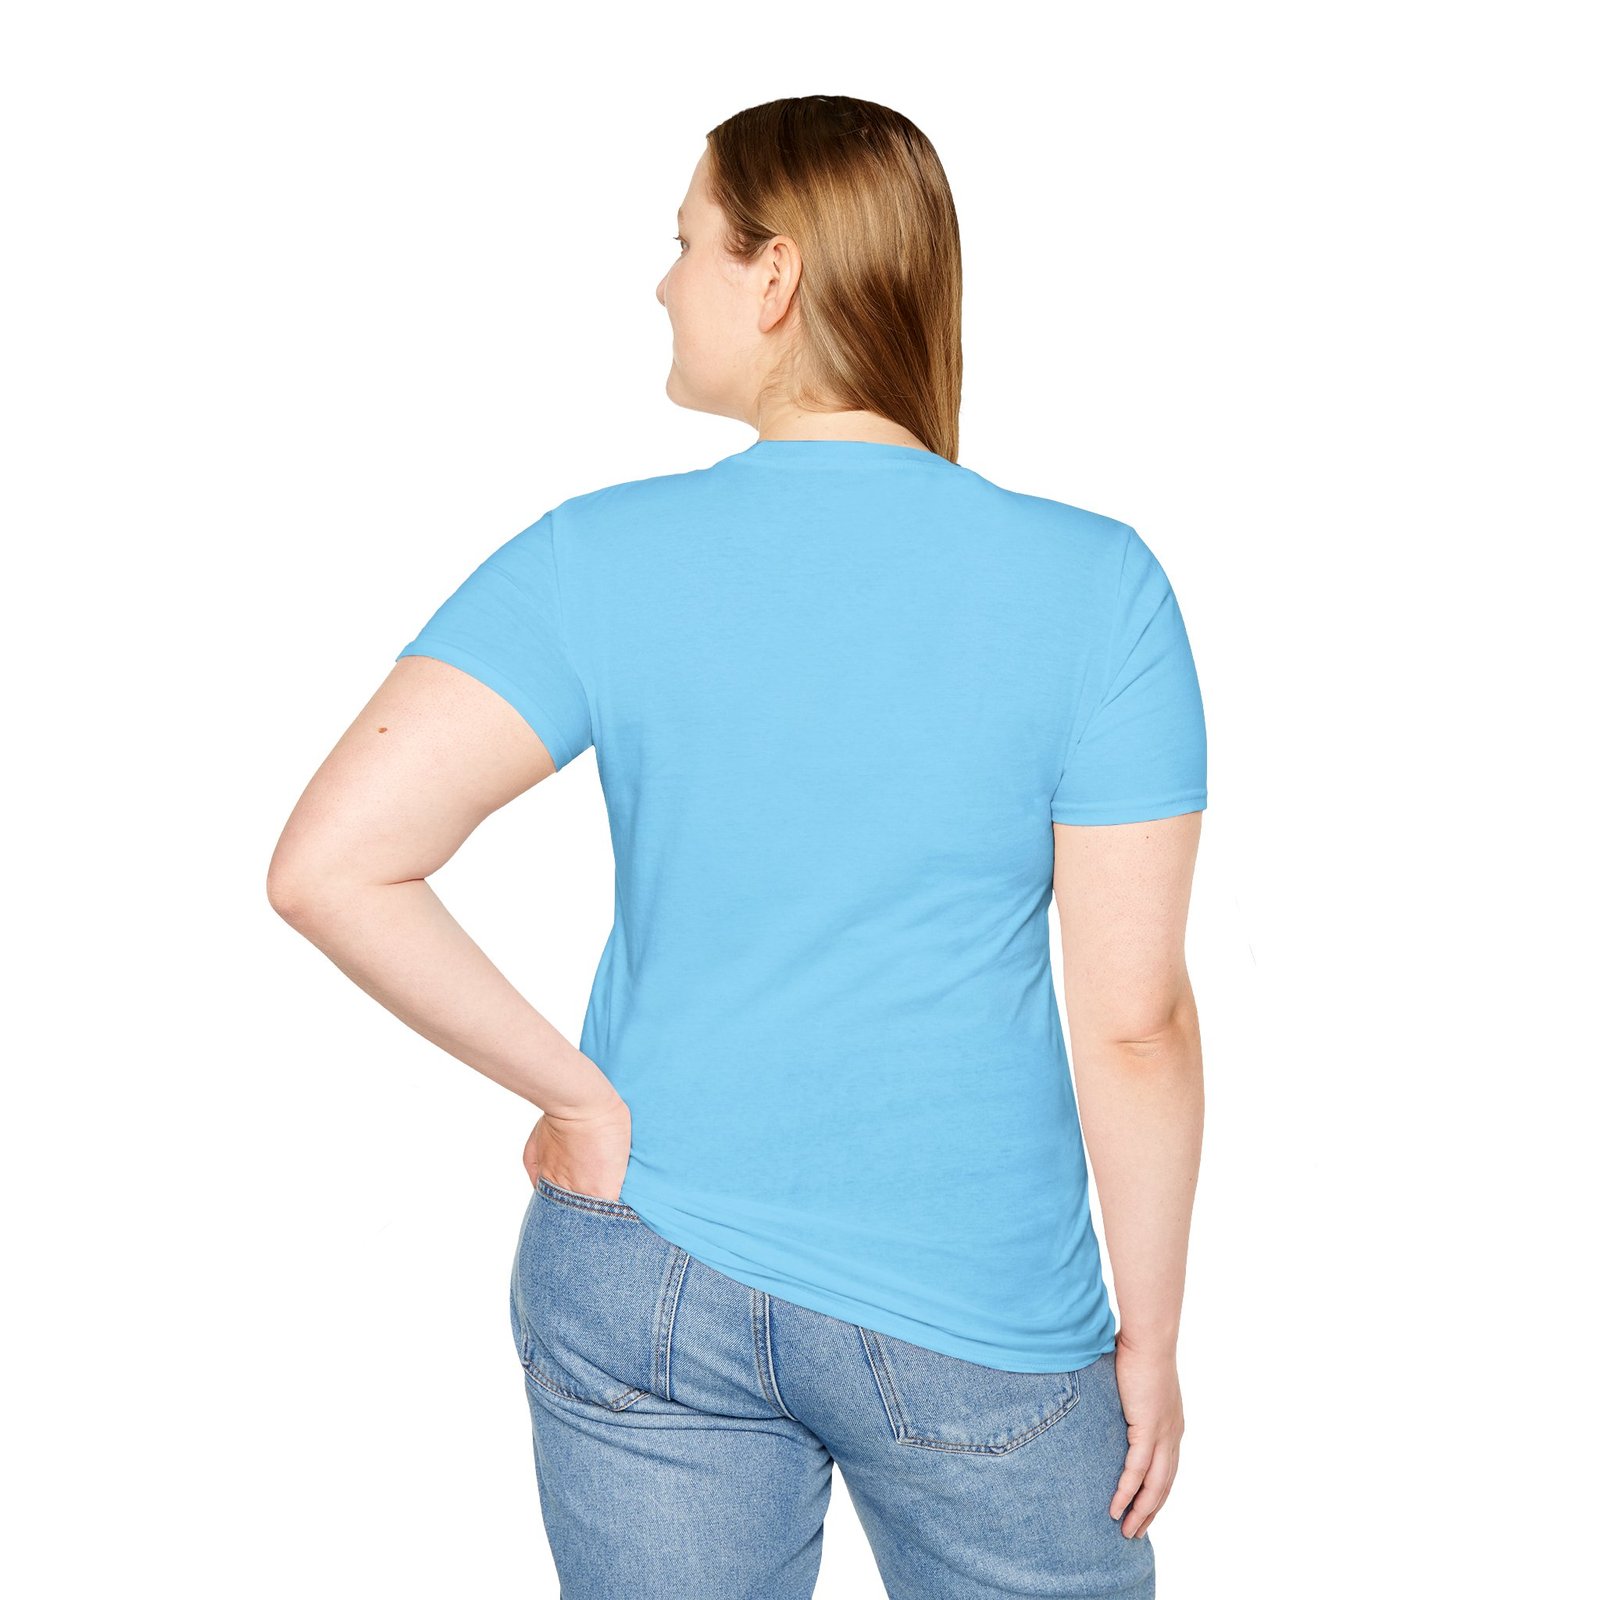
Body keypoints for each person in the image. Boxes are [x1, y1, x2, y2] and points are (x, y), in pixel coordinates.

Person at [268, 94, 1206, 1600]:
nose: (663, 284)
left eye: (687, 242)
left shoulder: (596, 554)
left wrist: (575, 1097)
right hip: (979, 1310)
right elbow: (1134, 1021)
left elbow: (333, 863)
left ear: (776, 275)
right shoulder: (1097, 585)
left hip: (647, 1265)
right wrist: (1148, 1340)